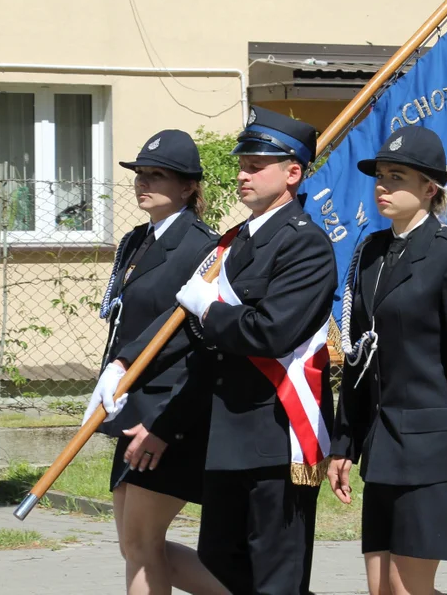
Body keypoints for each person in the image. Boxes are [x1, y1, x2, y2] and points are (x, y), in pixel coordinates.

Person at [327, 126, 447, 595]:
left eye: (396, 177)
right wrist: (345, 443)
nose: (382, 186)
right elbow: (362, 359)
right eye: (380, 175)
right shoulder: (371, 254)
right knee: (381, 588)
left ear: (430, 188)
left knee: (408, 588)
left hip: (432, 452)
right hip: (383, 448)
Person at [175, 106, 337, 595]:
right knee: (220, 566)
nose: (243, 174)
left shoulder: (305, 245)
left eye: (256, 165)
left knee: (276, 575)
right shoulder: (236, 241)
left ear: (293, 173)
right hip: (226, 433)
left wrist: (209, 311)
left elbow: (270, 332)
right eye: (242, 164)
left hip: (273, 432)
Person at [83, 129, 225, 595]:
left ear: (188, 187)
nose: (144, 183)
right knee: (135, 544)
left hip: (168, 411)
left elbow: (190, 332)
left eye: (157, 175)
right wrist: (110, 373)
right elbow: (126, 320)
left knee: (142, 542)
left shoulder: (203, 248)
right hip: (132, 406)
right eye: (140, 174)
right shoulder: (138, 240)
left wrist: (129, 374)